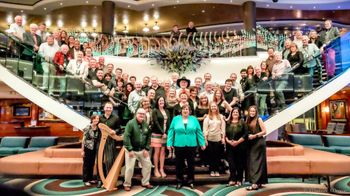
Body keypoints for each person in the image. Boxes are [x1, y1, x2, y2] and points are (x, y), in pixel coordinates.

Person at [167, 104, 206, 189]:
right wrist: (169, 143)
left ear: (190, 111)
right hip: (179, 144)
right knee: (179, 164)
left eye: (187, 109)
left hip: (191, 144)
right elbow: (171, 131)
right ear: (181, 110)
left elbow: (199, 131)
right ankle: (179, 181)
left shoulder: (194, 119)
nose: (185, 110)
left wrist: (202, 143)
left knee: (191, 164)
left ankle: (190, 181)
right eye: (184, 109)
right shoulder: (175, 119)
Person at [123, 108, 153, 191]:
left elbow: (148, 137)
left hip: (142, 150)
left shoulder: (146, 124)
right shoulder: (130, 123)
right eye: (140, 113)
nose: (141, 115)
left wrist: (147, 149)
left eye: (143, 114)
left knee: (148, 165)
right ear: (136, 114)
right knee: (129, 168)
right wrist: (130, 149)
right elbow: (126, 137)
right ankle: (127, 184)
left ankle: (145, 182)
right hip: (131, 150)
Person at [246, 105, 268, 191]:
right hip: (251, 143)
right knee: (254, 162)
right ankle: (258, 182)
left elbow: (264, 131)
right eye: (250, 111)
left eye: (253, 111)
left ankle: (254, 183)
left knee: (255, 163)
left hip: (259, 143)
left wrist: (254, 136)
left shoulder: (259, 119)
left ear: (256, 112)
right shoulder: (248, 119)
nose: (252, 113)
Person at [225, 107, 247, 187]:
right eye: (234, 112)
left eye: (236, 112)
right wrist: (228, 141)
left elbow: (245, 134)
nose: (235, 114)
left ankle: (239, 180)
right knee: (231, 164)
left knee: (239, 164)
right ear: (231, 114)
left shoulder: (243, 123)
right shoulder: (228, 123)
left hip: (240, 146)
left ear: (239, 114)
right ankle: (232, 179)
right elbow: (225, 134)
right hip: (230, 147)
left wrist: (237, 142)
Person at [203, 102, 226, 177]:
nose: (213, 108)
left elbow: (223, 128)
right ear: (210, 108)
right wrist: (205, 139)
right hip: (209, 138)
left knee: (217, 155)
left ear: (217, 107)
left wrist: (223, 138)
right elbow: (205, 129)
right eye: (212, 106)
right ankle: (212, 170)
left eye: (215, 106)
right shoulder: (207, 117)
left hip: (218, 138)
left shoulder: (221, 117)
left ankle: (217, 170)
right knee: (211, 155)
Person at [151, 96, 171, 178]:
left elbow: (169, 122)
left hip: (165, 134)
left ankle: (161, 169)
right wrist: (162, 132)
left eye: (162, 100)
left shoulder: (167, 111)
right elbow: (156, 122)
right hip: (157, 134)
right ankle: (156, 169)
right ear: (157, 102)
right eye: (160, 100)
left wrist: (166, 133)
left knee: (163, 152)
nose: (161, 102)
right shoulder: (155, 111)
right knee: (157, 152)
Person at [81, 114, 100, 186]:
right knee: (86, 164)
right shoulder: (87, 127)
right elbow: (83, 140)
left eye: (97, 119)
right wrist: (82, 151)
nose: (96, 120)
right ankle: (85, 180)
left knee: (92, 164)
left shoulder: (98, 128)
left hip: (95, 148)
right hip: (88, 148)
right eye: (95, 119)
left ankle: (90, 178)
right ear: (92, 119)